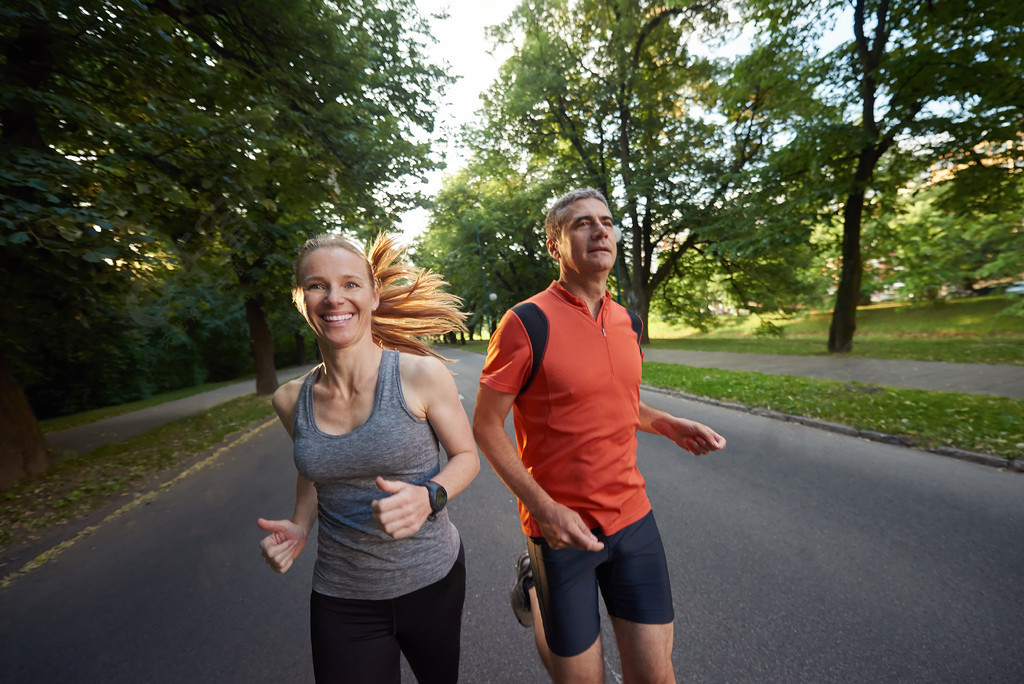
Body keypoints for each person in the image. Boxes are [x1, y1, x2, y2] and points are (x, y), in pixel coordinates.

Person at [472, 188, 727, 683]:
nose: (600, 230)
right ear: (555, 244)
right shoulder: (526, 322)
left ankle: (536, 590)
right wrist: (544, 509)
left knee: (655, 676)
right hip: (560, 528)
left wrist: (665, 423)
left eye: (606, 222)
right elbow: (485, 424)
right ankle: (534, 590)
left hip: (634, 518)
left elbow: (617, 403)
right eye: (582, 223)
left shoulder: (627, 320)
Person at [257, 233, 480, 684]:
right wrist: (300, 525)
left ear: (373, 295)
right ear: (301, 301)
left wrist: (428, 496)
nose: (334, 297)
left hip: (431, 581)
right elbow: (316, 470)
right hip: (343, 598)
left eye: (350, 284)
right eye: (317, 286)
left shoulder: (419, 375)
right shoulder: (289, 400)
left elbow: (466, 456)